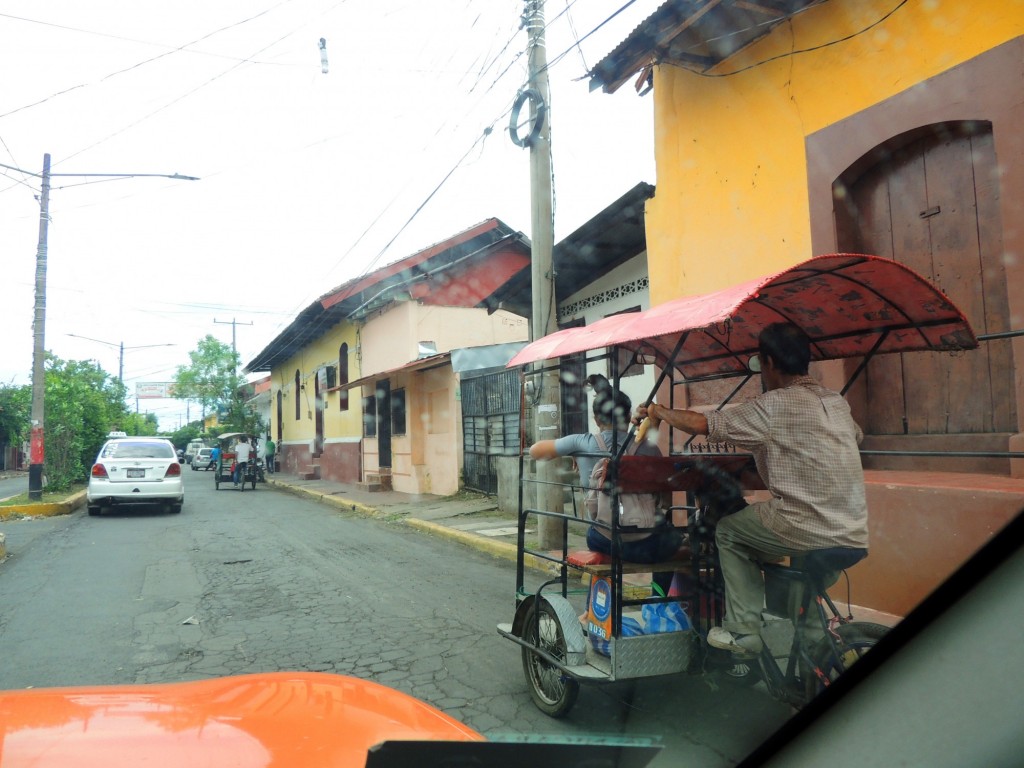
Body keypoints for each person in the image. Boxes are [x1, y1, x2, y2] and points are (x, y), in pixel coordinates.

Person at [635, 322, 868, 656]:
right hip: (853, 529)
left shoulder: (772, 405)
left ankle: (744, 631)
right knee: (784, 563)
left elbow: (705, 424)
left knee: (729, 531)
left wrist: (657, 411)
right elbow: (854, 437)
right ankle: (815, 651)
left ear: (769, 363)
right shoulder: (836, 403)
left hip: (805, 524)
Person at [530, 373, 683, 595]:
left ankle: (596, 609)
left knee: (595, 532)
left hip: (604, 540)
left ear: (596, 419)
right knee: (672, 538)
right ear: (629, 416)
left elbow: (536, 451)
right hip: (649, 544)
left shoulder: (582, 443)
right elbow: (666, 500)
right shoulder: (650, 449)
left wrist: (574, 452)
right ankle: (656, 598)